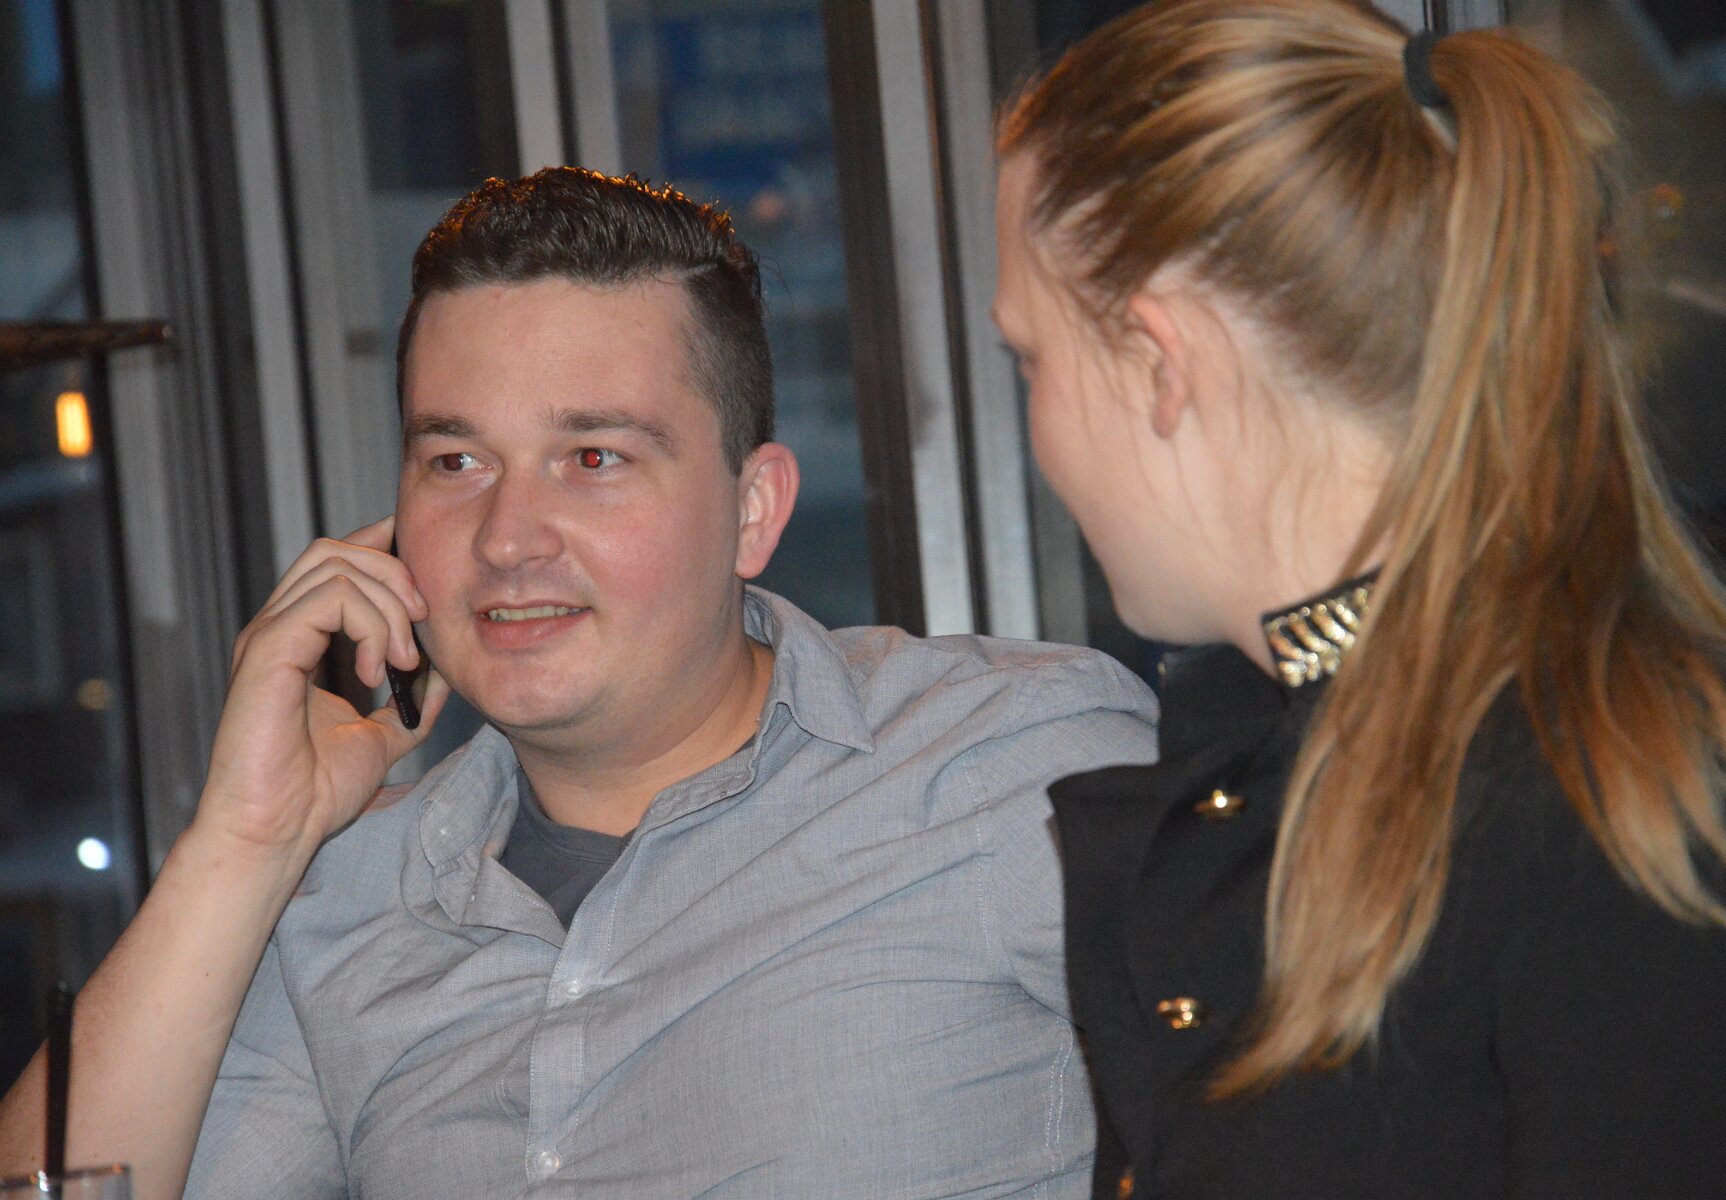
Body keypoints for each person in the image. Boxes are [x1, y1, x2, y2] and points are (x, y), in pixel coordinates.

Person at [0, 169, 1157, 1199]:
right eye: (455, 461)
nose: (507, 537)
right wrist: (247, 839)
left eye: (593, 458)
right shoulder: (347, 898)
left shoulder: (1008, 764)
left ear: (752, 509)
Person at [990, 1, 1726, 1197]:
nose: (1035, 432)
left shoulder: (1631, 781)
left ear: (1162, 363)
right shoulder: (1291, 758)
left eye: (1029, 358)